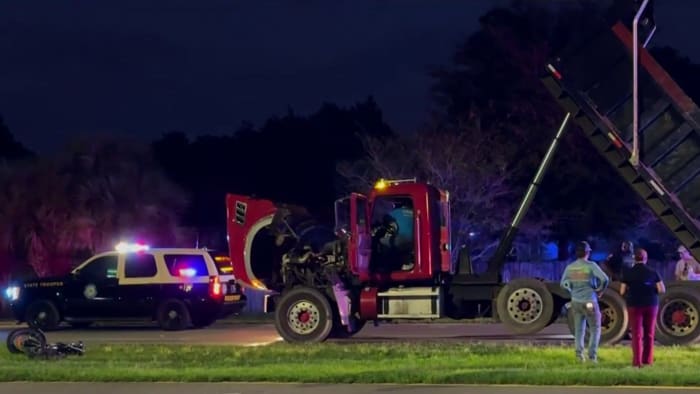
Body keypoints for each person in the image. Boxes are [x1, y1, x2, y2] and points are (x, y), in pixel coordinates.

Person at [560, 241, 610, 363]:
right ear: (587, 252)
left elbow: (563, 284)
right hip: (590, 301)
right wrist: (599, 290)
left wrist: (571, 290)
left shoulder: (570, 267)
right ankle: (592, 357)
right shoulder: (591, 266)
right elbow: (605, 279)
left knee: (579, 330)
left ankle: (579, 356)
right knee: (595, 328)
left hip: (576, 302)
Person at [620, 248, 665, 367]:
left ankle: (637, 362)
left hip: (634, 305)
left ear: (634, 258)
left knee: (636, 333)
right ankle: (648, 360)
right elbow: (662, 289)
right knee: (649, 333)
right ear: (646, 258)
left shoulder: (628, 273)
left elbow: (622, 291)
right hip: (651, 304)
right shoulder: (653, 272)